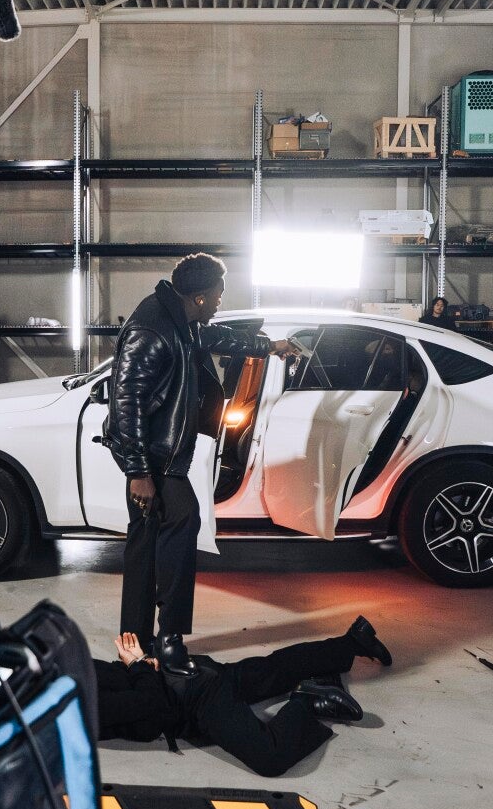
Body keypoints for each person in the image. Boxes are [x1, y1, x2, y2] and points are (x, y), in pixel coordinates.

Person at [107, 254, 296, 674]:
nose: (219, 302)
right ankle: (170, 639)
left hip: (156, 453)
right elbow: (126, 400)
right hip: (152, 457)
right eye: (217, 296)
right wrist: (138, 473)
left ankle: (136, 642)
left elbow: (215, 337)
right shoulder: (151, 329)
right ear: (198, 297)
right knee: (183, 519)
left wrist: (268, 346)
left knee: (145, 541)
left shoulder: (181, 320)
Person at [95, 617, 393, 777]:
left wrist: (138, 665)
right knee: (271, 671)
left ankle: (307, 699)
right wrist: (141, 666)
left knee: (270, 757)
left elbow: (149, 703)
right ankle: (352, 642)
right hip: (187, 672)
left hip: (192, 697)